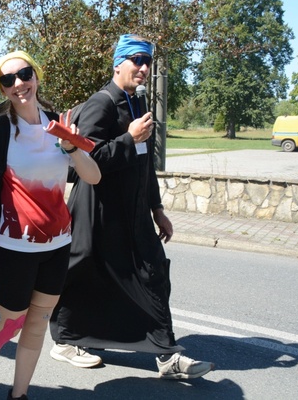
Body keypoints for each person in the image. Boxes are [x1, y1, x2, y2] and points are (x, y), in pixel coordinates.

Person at [49, 34, 215, 379]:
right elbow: (86, 158)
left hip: (134, 211)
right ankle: (65, 339)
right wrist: (129, 139)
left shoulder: (138, 104)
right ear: (118, 65)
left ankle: (167, 355)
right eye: (136, 60)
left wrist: (157, 209)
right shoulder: (103, 103)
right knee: (86, 274)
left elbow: (143, 164)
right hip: (99, 211)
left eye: (147, 62)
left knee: (153, 274)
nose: (143, 68)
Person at [0, 51, 101, 400]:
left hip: (58, 243)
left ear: (35, 76)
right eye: (7, 80)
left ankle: (18, 394)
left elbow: (93, 177)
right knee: (10, 324)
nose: (18, 84)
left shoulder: (60, 124)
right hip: (14, 246)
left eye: (24, 75)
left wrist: (71, 147)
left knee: (36, 324)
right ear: (3, 90)